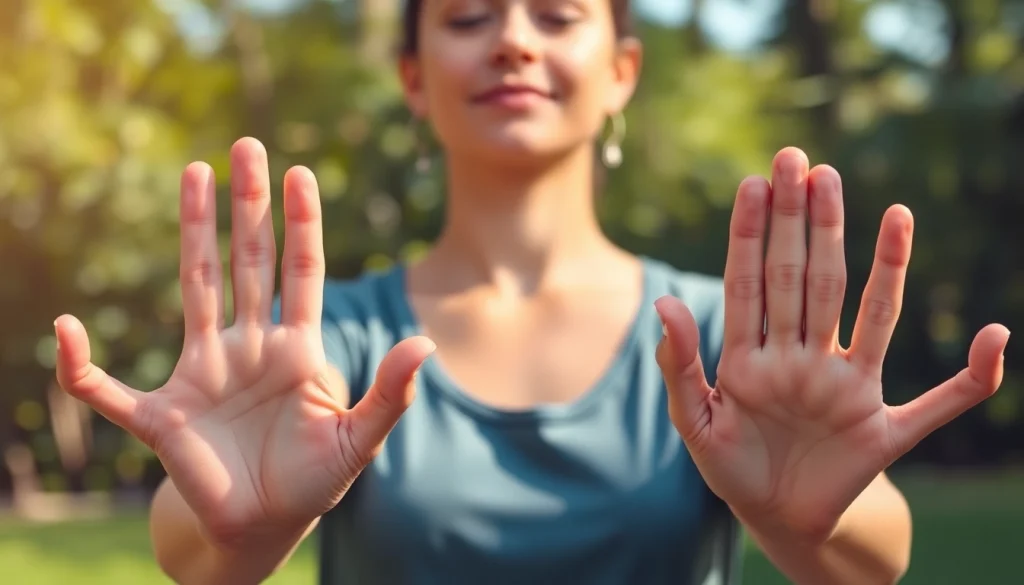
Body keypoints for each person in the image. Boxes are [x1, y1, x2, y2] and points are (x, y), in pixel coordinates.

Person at [53, 0, 1011, 583]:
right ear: (414, 79)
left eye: (557, 16)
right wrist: (237, 525)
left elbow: (875, 557)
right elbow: (192, 548)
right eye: (469, 17)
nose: (512, 40)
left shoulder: (723, 332)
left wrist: (815, 519)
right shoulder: (328, 339)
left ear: (622, 72)